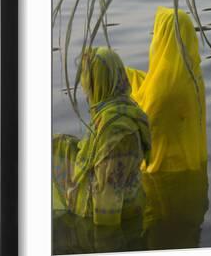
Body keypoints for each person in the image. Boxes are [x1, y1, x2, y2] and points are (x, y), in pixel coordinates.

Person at [52, 46, 151, 227]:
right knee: (56, 144)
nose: (84, 88)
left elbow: (107, 203)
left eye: (87, 81)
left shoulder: (116, 133)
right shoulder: (119, 108)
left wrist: (102, 248)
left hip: (116, 213)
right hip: (128, 199)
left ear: (99, 83)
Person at [126, 6, 207, 172]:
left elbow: (144, 119)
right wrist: (126, 73)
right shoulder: (192, 72)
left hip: (166, 170)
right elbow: (153, 84)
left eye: (157, 33)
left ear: (164, 37)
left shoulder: (165, 88)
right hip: (192, 162)